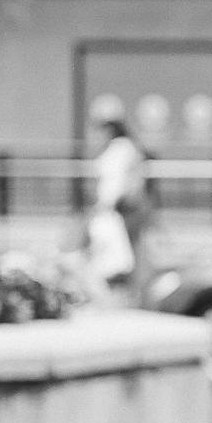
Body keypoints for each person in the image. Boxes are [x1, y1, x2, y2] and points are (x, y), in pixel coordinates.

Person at [86, 99, 151, 299]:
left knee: (127, 250)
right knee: (132, 249)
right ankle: (138, 293)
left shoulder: (119, 148)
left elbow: (114, 182)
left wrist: (104, 204)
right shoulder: (128, 146)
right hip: (129, 206)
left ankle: (134, 294)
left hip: (123, 207)